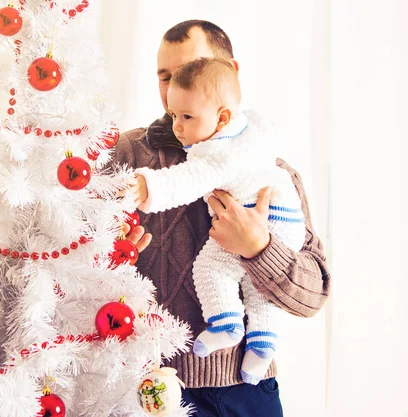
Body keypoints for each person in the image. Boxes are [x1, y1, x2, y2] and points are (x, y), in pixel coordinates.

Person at [116, 20, 330, 417]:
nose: (173, 87)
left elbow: (314, 294)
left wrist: (260, 249)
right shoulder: (126, 156)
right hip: (146, 388)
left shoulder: (268, 168)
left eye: (189, 69)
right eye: (165, 76)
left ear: (229, 73)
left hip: (245, 390)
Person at [128, 56, 306, 385]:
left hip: (267, 220)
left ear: (222, 116)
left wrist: (147, 186)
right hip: (286, 218)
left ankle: (226, 324)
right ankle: (262, 343)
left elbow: (187, 179)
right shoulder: (250, 132)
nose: (177, 125)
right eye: (173, 114)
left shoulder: (219, 154)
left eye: (186, 116)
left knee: (212, 268)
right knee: (256, 288)